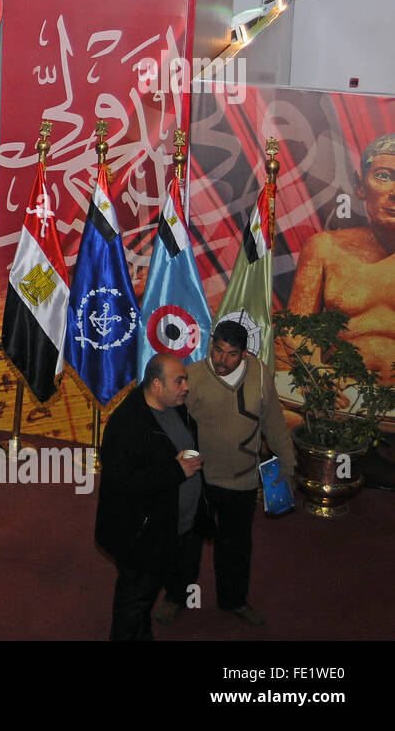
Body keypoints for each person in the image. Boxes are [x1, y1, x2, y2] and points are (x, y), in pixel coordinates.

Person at [156, 320, 296, 627]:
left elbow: (273, 421)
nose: (221, 359)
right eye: (217, 350)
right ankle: (176, 597)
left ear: (244, 354)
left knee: (236, 545)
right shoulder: (191, 377)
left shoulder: (259, 374)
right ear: (211, 344)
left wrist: (288, 466)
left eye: (231, 354)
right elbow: (170, 427)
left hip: (242, 479)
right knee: (186, 543)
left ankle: (234, 600)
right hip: (199, 480)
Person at [94, 354, 211, 640]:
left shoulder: (177, 408)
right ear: (157, 385)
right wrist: (176, 470)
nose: (186, 386)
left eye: (185, 379)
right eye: (179, 381)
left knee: (143, 604)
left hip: (172, 528)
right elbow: (121, 481)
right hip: (142, 537)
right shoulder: (127, 424)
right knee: (133, 603)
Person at [287, 133, 395, 384]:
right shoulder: (325, 248)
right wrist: (317, 374)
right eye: (383, 176)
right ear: (359, 185)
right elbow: (296, 328)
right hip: (339, 394)